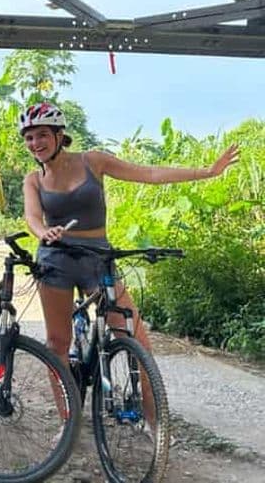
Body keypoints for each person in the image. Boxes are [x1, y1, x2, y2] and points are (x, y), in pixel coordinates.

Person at [20, 101, 239, 397]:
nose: (35, 143)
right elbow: (32, 216)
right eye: (29, 137)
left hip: (98, 258)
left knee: (137, 341)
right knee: (57, 345)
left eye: (42, 134)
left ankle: (154, 423)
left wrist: (208, 172)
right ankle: (67, 423)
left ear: (59, 135)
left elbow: (148, 173)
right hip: (55, 261)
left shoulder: (92, 161)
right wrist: (44, 231)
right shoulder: (34, 179)